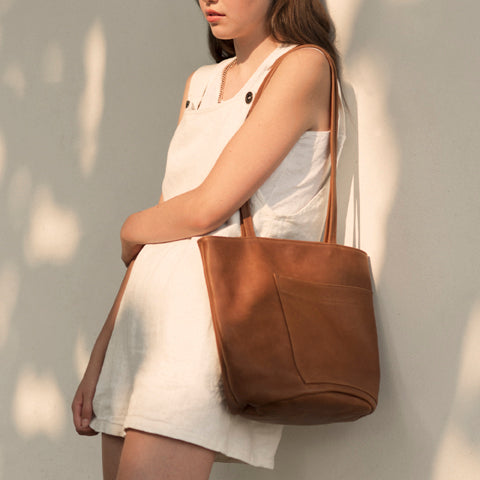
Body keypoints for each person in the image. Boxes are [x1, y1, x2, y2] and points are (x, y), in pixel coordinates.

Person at [72, 1, 345, 479]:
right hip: (145, 321)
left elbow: (206, 208)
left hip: (207, 328)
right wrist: (102, 353)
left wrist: (127, 226)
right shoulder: (201, 83)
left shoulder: (304, 65)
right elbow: (165, 227)